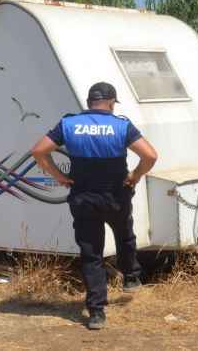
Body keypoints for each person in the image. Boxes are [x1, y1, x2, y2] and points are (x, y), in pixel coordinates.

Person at [31, 82, 158, 330]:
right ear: (111, 103)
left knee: (92, 255)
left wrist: (58, 175)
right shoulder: (121, 125)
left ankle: (97, 313)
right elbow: (150, 156)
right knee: (125, 235)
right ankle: (130, 276)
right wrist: (135, 175)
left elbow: (39, 151)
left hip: (83, 199)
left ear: (89, 102)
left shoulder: (68, 124)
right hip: (115, 197)